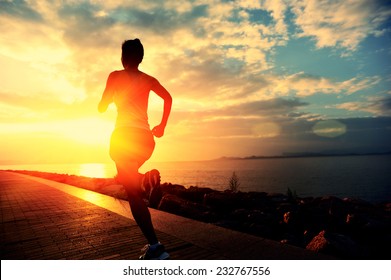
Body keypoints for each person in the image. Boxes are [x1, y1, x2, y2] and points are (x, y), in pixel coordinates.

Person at [98, 38, 172, 260]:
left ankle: (142, 181)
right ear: (140, 58)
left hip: (124, 137)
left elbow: (101, 107)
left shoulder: (115, 76)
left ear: (123, 59)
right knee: (128, 182)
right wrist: (162, 125)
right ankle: (155, 246)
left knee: (131, 189)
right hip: (145, 139)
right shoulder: (149, 79)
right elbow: (168, 98)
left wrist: (110, 99)